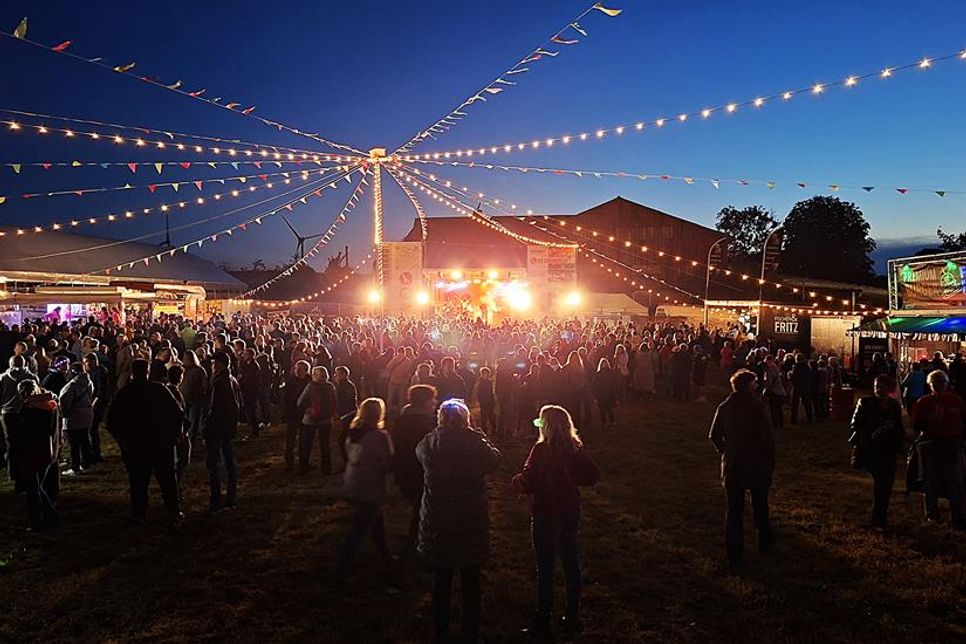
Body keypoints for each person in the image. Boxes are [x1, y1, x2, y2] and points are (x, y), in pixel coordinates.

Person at [417, 398, 502, 644]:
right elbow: (495, 459)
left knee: (441, 581)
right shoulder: (474, 442)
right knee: (470, 581)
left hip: (439, 518)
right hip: (469, 519)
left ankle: (440, 632)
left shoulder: (430, 443)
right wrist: (479, 436)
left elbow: (418, 453)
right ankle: (470, 633)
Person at [512, 405, 599, 637]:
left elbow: (530, 480)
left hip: (546, 511)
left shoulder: (541, 450)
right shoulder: (575, 449)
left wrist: (520, 480)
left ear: (546, 426)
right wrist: (572, 479)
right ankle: (572, 614)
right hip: (570, 509)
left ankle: (543, 617)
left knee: (546, 566)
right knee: (571, 561)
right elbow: (593, 475)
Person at [709, 369, 775, 568]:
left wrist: (725, 450)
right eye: (755, 383)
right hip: (755, 462)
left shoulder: (724, 407)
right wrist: (769, 459)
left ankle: (734, 553)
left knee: (734, 510)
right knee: (760, 505)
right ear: (748, 386)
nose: (757, 386)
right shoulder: (756, 407)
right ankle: (765, 543)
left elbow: (713, 434)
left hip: (734, 463)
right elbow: (766, 437)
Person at [107, 359, 185, 526]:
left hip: (136, 445)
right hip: (160, 443)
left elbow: (112, 422)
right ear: (148, 371)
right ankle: (174, 512)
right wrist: (174, 434)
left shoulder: (125, 392)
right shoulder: (159, 389)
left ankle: (139, 514)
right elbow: (177, 413)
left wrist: (123, 441)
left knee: (138, 482)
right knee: (167, 480)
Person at [335, 397, 395, 585]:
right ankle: (341, 567)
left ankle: (385, 555)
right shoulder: (379, 437)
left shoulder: (353, 432)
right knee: (360, 529)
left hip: (353, 480)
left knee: (376, 521)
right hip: (369, 484)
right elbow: (387, 463)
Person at [911, 370, 966, 527]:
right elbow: (916, 425)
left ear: (946, 384)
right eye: (935, 382)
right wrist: (931, 421)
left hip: (952, 444)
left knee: (955, 480)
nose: (938, 385)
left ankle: (959, 516)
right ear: (930, 385)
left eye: (941, 382)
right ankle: (932, 514)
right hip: (931, 443)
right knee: (931, 480)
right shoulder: (923, 402)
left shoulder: (955, 401)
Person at [849, 375, 905, 529]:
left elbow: (898, 427)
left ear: (890, 389)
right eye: (876, 386)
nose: (878, 389)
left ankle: (879, 518)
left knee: (885, 485)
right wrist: (871, 431)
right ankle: (876, 517)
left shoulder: (894, 406)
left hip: (887, 449)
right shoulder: (866, 403)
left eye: (882, 386)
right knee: (880, 482)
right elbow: (855, 424)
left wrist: (901, 446)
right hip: (870, 448)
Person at [7, 379, 60, 530]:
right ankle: (51, 517)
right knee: (37, 486)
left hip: (32, 451)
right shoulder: (51, 403)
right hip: (48, 450)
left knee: (33, 488)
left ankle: (39, 521)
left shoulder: (29, 408)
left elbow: (25, 433)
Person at [391, 384, 438, 553]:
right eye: (432, 399)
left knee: (419, 509)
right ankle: (417, 546)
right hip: (420, 474)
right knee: (422, 511)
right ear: (425, 402)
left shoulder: (402, 420)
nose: (435, 402)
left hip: (406, 473)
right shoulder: (424, 425)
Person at [205, 351, 240, 513]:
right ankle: (231, 496)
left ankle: (217, 499)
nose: (212, 365)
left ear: (219, 364)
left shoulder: (220, 382)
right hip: (226, 428)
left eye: (214, 363)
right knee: (229, 462)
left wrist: (208, 425)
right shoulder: (230, 379)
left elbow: (215, 407)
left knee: (214, 464)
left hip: (217, 428)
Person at [1, 355, 38, 472]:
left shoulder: (2, 378)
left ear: (10, 364)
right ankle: (26, 467)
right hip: (27, 412)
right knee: (26, 441)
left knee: (10, 443)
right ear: (24, 364)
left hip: (8, 413)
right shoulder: (32, 377)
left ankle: (12, 469)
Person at [296, 366, 337, 475]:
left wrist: (307, 408)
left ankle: (303, 467)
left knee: (306, 444)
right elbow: (335, 402)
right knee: (325, 444)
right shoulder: (330, 386)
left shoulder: (311, 386)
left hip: (310, 419)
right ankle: (326, 468)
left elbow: (300, 402)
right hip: (326, 419)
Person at [59, 362, 95, 476]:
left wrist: (64, 417)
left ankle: (75, 468)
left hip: (74, 417)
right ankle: (86, 463)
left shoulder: (71, 386)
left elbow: (64, 403)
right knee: (84, 441)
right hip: (87, 415)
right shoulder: (89, 382)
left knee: (74, 444)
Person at [282, 360, 311, 471]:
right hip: (293, 414)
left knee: (304, 440)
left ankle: (303, 462)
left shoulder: (310, 383)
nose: (297, 372)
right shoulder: (290, 382)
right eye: (296, 369)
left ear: (305, 370)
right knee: (290, 439)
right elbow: (286, 399)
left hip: (305, 415)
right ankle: (289, 462)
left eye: (299, 370)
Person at [82, 352, 109, 464]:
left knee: (92, 429)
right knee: (92, 430)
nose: (85, 365)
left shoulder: (99, 372)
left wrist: (93, 405)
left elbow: (100, 392)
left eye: (86, 363)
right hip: (95, 403)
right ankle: (94, 453)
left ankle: (95, 455)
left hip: (97, 404)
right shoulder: (96, 372)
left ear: (92, 362)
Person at [592, 358, 619, 428]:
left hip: (601, 394)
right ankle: (612, 421)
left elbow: (594, 385)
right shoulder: (611, 373)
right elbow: (614, 384)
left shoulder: (598, 374)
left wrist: (595, 395)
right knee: (609, 408)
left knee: (602, 410)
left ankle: (604, 422)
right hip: (609, 393)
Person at [789, 354, 814, 424]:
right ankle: (810, 418)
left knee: (794, 404)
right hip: (805, 386)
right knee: (807, 403)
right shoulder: (807, 367)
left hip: (797, 386)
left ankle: (793, 419)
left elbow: (793, 376)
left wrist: (791, 378)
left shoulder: (796, 366)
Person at [475, 366, 497, 434]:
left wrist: (493, 401)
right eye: (483, 373)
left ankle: (493, 429)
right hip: (484, 402)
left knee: (491, 416)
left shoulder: (489, 382)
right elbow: (479, 393)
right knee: (484, 416)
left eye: (486, 373)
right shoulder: (480, 383)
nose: (485, 375)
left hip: (489, 402)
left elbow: (491, 393)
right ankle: (485, 430)